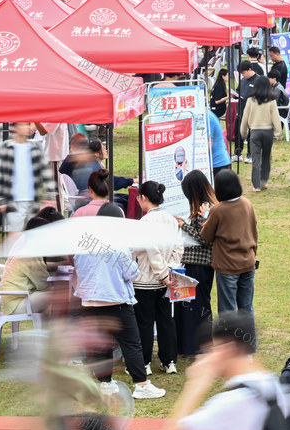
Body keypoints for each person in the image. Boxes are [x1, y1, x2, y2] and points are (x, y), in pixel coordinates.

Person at [74, 202, 166, 399]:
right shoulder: (118, 246)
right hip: (116, 303)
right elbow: (131, 273)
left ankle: (105, 384)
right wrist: (131, 257)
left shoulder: (83, 244)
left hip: (89, 302)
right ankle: (141, 385)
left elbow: (79, 270)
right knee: (131, 344)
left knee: (101, 345)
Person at [169, 311, 290, 430]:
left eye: (211, 350)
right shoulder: (277, 386)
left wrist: (196, 385)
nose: (206, 357)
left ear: (228, 348)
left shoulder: (230, 403)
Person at [200, 170, 259, 352]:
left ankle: (229, 349)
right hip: (248, 262)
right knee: (246, 308)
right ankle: (248, 348)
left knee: (227, 310)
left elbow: (206, 236)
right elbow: (254, 230)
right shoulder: (247, 204)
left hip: (227, 267)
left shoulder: (218, 210)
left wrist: (205, 216)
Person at [135, 181, 183, 376]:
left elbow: (153, 252)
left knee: (145, 323)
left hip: (146, 280)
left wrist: (163, 274)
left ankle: (145, 362)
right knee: (166, 320)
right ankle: (169, 360)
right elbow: (179, 247)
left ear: (143, 198)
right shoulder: (171, 220)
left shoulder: (145, 223)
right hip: (167, 279)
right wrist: (170, 270)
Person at [174, 170, 217, 357]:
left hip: (199, 264)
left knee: (196, 307)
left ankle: (198, 347)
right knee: (196, 305)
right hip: (199, 264)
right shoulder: (209, 205)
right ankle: (195, 346)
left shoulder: (205, 208)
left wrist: (183, 225)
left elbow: (204, 238)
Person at [0, 122, 57, 233]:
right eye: (24, 125)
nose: (27, 128)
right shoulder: (5, 148)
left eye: (28, 125)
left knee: (31, 234)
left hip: (33, 200)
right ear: (15, 128)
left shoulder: (35, 148)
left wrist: (50, 196)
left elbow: (46, 172)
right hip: (13, 201)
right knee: (15, 235)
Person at [239, 81, 281, 192]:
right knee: (266, 157)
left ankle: (256, 185)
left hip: (255, 132)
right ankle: (264, 180)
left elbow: (245, 118)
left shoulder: (250, 101)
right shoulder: (272, 101)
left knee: (256, 158)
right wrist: (278, 133)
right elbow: (276, 117)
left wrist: (243, 133)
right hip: (268, 132)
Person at [234, 61, 266, 163]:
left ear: (249, 69)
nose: (243, 75)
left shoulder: (259, 80)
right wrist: (235, 94)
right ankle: (237, 153)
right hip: (241, 108)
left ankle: (251, 154)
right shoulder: (243, 80)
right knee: (238, 131)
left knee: (252, 134)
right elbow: (238, 91)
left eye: (244, 73)